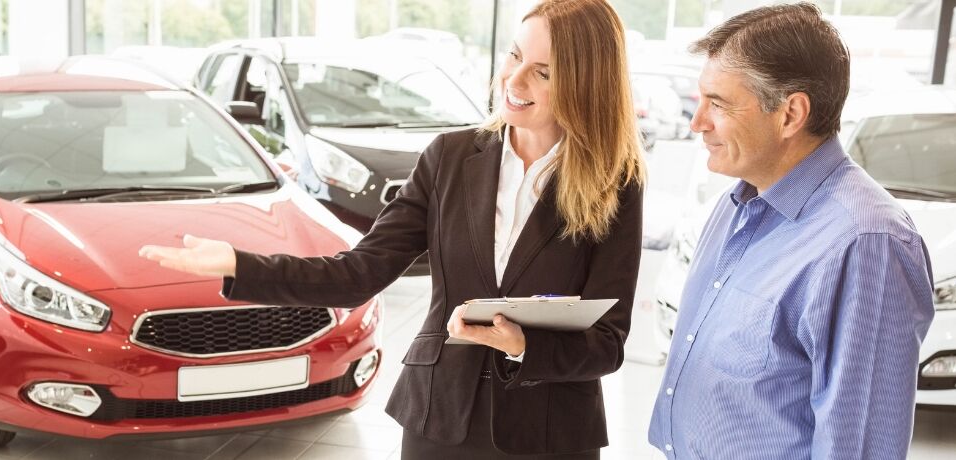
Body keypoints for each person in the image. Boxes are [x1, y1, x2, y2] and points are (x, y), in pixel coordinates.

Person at [139, 1, 643, 457]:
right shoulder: (450, 157)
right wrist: (239, 264)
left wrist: (521, 345)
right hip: (440, 417)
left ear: (586, 84)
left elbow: (607, 343)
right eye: (514, 56)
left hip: (550, 431)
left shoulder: (616, 184)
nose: (514, 80)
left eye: (544, 72)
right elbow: (357, 273)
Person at [646, 3, 936, 459]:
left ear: (790, 114)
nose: (696, 122)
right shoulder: (736, 204)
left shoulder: (866, 243)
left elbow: (858, 448)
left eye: (717, 103)